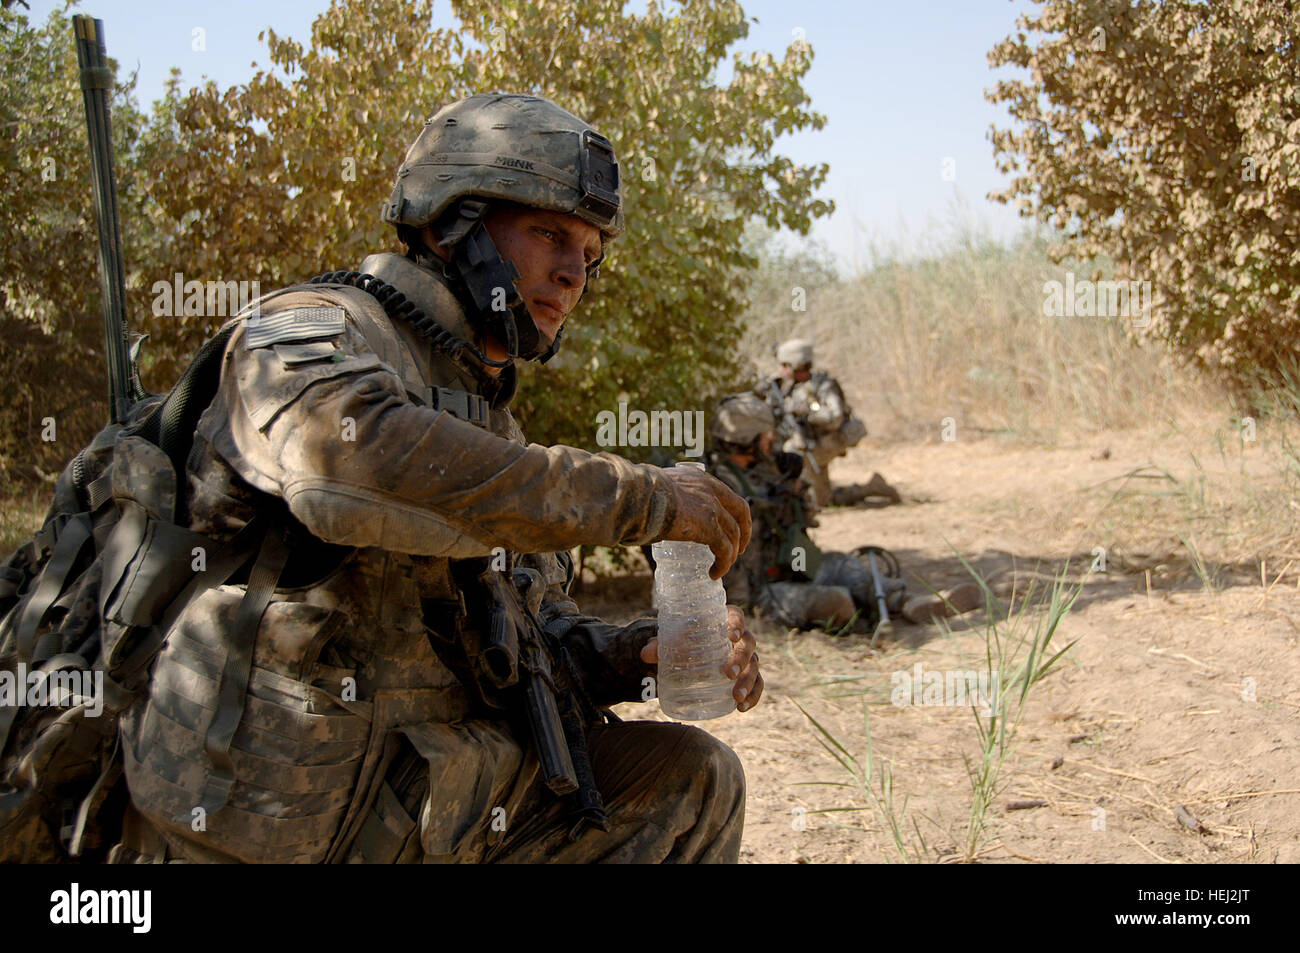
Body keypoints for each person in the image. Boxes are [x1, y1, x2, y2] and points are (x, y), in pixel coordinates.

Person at [109, 93, 762, 864]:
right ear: (451, 225)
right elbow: (346, 468)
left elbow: (523, 644)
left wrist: (634, 655)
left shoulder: (490, 424)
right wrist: (643, 498)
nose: (572, 272)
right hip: (261, 828)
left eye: (589, 254)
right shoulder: (304, 326)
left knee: (691, 779)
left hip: (422, 814)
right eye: (549, 232)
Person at [708, 393, 980, 634]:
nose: (773, 439)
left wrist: (795, 489)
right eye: (766, 435)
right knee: (836, 601)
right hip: (759, 593)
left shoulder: (766, 468)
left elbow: (809, 515)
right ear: (747, 439)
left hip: (795, 565)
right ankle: (864, 615)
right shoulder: (716, 484)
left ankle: (906, 602)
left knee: (844, 566)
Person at [764, 338, 899, 510]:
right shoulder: (788, 387)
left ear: (796, 365)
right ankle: (872, 487)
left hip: (826, 441)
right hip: (812, 443)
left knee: (792, 450)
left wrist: (805, 411)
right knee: (823, 500)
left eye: (784, 365)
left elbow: (834, 418)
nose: (781, 370)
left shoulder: (822, 386)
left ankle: (796, 503)